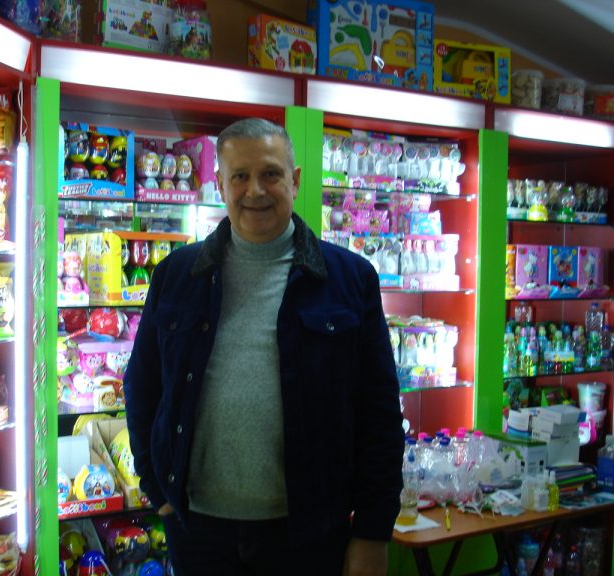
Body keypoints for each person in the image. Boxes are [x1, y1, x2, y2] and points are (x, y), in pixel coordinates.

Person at [124, 118, 404, 576]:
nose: (255, 190)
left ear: (295, 180)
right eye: (240, 176)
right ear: (220, 184)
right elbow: (141, 387)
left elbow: (380, 416)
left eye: (270, 174)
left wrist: (373, 532)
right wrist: (158, 490)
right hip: (199, 533)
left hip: (309, 535)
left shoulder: (350, 279)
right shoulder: (176, 275)